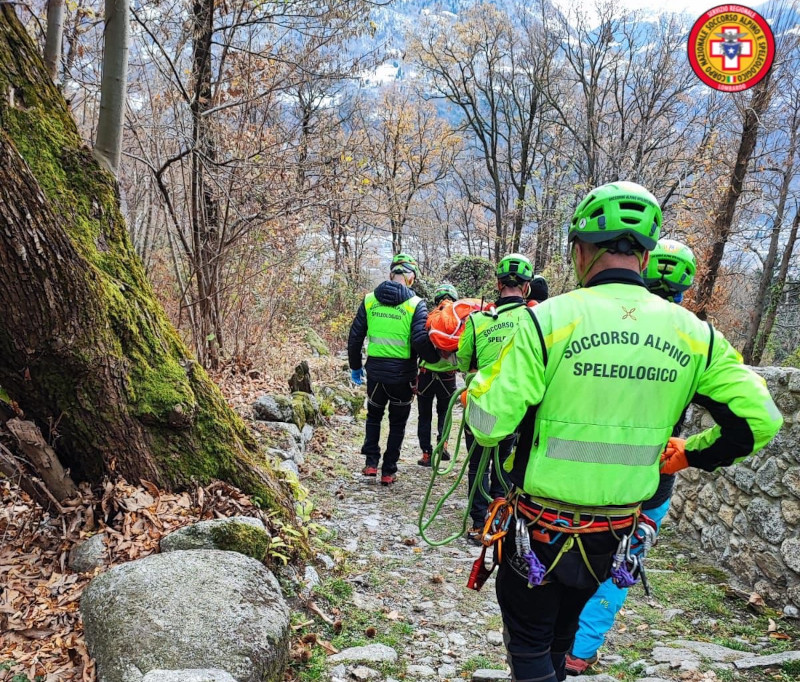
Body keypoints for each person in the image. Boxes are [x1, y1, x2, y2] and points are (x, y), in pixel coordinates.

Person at [463, 181, 782, 682]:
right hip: (613, 535)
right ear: (645, 253)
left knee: (528, 646)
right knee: (563, 636)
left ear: (581, 250)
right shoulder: (694, 334)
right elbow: (760, 419)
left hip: (539, 529)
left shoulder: (547, 321)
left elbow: (487, 425)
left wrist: (480, 387)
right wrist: (690, 453)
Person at [566, 237, 699, 675]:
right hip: (653, 478)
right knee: (623, 562)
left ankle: (555, 638)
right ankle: (580, 650)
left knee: (569, 550)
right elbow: (749, 418)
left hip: (582, 470)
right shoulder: (693, 338)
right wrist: (693, 451)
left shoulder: (599, 322)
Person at [457, 254, 534, 544]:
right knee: (505, 465)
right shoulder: (536, 320)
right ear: (525, 288)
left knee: (477, 465)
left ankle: (478, 524)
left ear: (498, 284)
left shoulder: (477, 320)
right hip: (518, 408)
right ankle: (498, 522)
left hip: (480, 403)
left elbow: (464, 361)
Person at [348, 253, 441, 486]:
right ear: (411, 278)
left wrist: (355, 367)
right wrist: (436, 359)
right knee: (397, 424)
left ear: (391, 275)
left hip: (376, 374)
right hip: (402, 376)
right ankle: (388, 470)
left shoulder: (370, 300)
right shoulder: (415, 304)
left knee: (374, 416)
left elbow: (355, 336)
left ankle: (370, 464)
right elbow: (420, 340)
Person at [417, 283, 459, 467]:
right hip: (448, 376)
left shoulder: (429, 318)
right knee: (445, 413)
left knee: (424, 415)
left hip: (426, 373)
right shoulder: (459, 320)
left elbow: (418, 342)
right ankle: (443, 447)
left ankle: (426, 454)